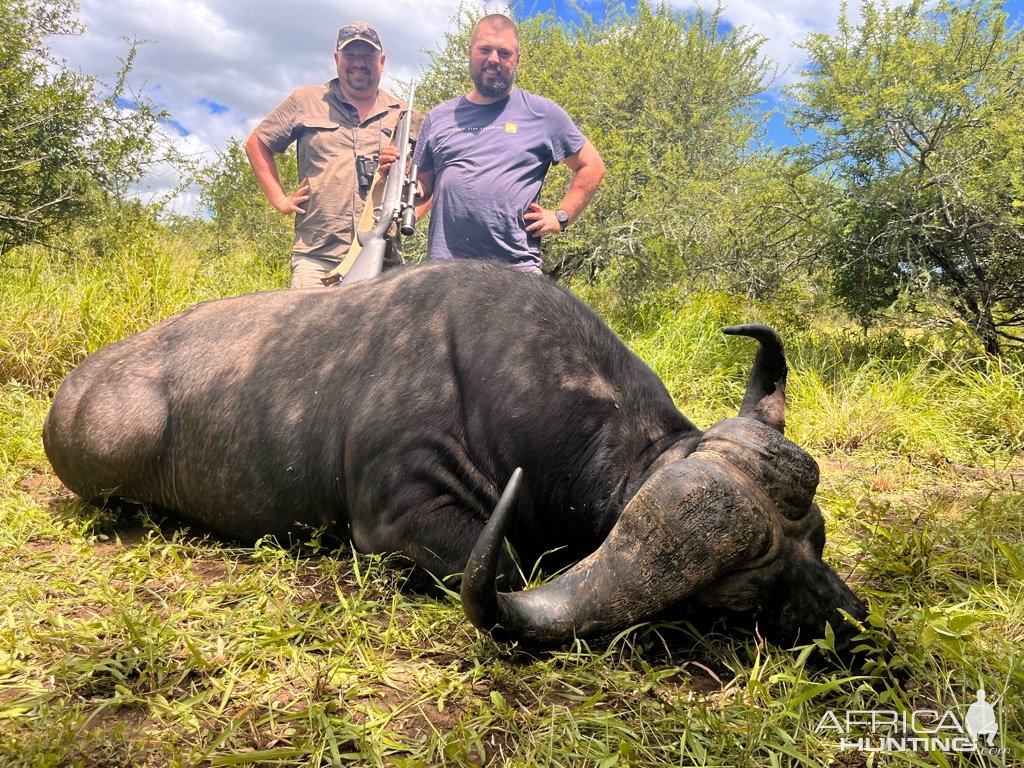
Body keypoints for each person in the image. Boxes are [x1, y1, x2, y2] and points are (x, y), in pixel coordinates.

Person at [413, 13, 605, 272]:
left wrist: (561, 216)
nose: (493, 59)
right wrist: (397, 184)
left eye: (504, 53)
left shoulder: (542, 113)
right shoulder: (438, 118)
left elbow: (591, 165)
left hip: (516, 273)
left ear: (517, 59)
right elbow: (424, 183)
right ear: (470, 52)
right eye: (485, 49)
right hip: (446, 270)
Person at [246, 22, 417, 288]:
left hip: (383, 258)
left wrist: (411, 210)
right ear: (337, 59)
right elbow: (257, 144)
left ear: (381, 61)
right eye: (350, 55)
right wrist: (280, 199)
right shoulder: (305, 101)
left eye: (368, 56)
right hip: (317, 257)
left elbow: (430, 173)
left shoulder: (405, 115)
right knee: (308, 331)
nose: (358, 63)